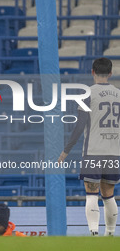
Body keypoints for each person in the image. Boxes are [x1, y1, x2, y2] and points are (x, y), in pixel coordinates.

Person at [58, 57, 120, 236]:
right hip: (114, 153)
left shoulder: (86, 94)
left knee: (91, 194)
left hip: (93, 151)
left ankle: (93, 233)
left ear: (92, 72)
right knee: (109, 195)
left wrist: (66, 151)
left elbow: (79, 126)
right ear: (110, 73)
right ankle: (110, 234)